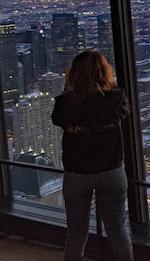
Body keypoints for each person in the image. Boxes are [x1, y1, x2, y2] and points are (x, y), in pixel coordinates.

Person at [51, 50, 133, 261]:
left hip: (77, 173)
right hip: (111, 170)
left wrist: (70, 89)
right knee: (117, 228)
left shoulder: (65, 103)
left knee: (77, 231)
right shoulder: (116, 98)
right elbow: (123, 112)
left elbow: (58, 118)